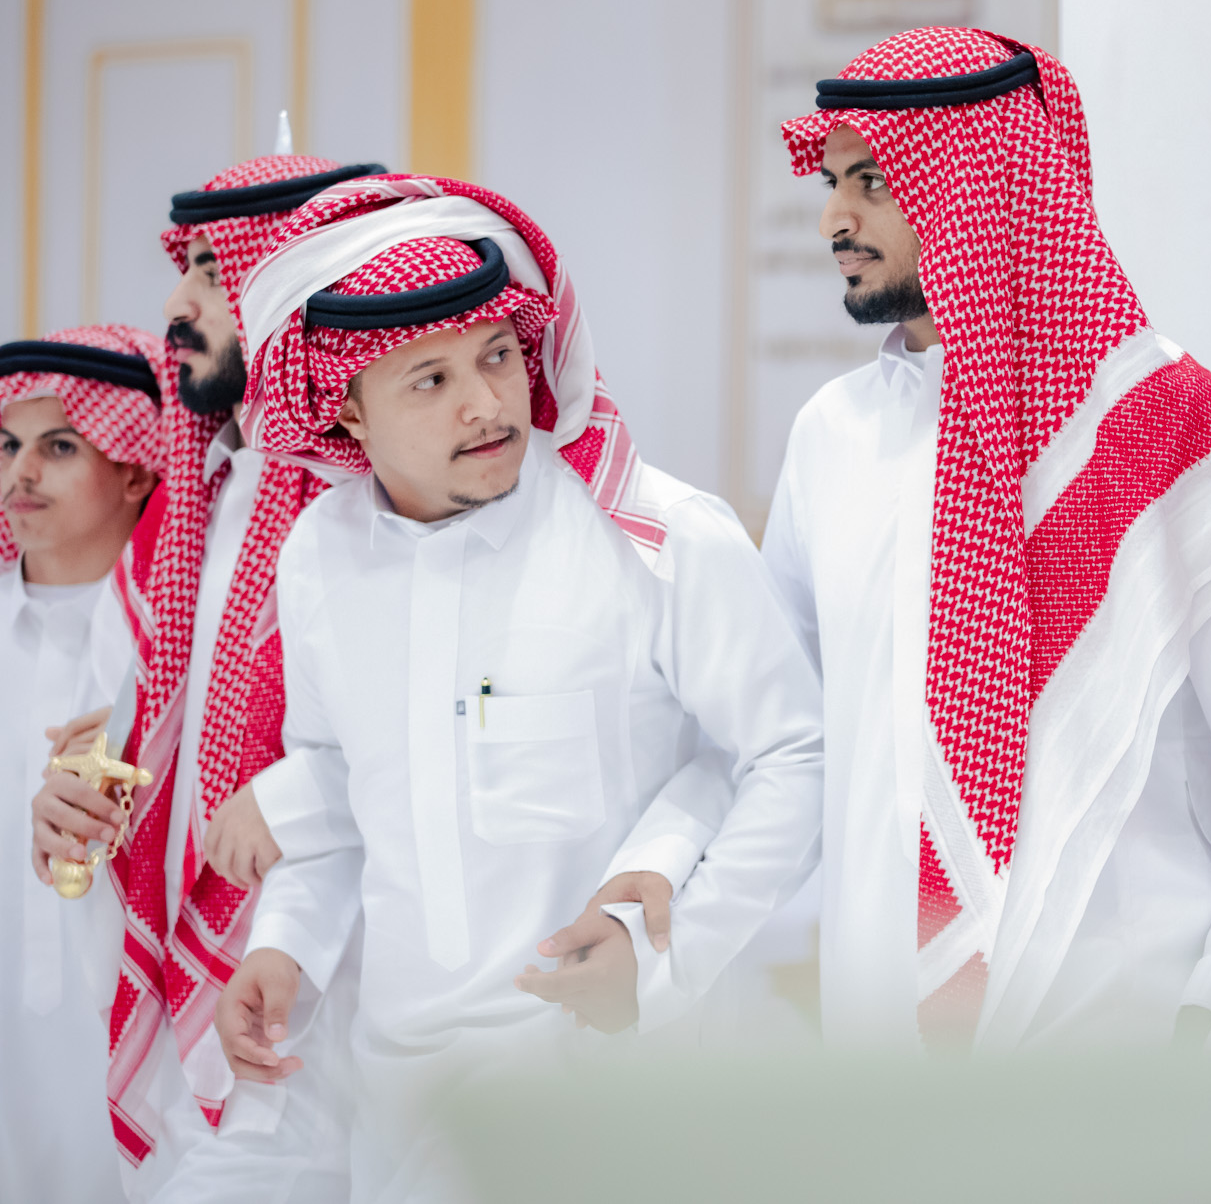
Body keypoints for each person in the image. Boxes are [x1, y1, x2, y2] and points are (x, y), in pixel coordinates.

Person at [208, 173, 824, 1199]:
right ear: (347, 409)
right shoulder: (318, 555)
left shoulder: (656, 536)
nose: (487, 402)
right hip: (400, 1107)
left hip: (612, 1098)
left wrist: (665, 965)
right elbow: (342, 785)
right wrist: (286, 947)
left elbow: (793, 757)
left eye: (497, 356)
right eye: (430, 379)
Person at [760, 26, 1211, 1051]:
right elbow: (790, 740)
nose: (835, 218)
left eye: (872, 182)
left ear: (975, 192)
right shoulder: (829, 438)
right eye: (833, 183)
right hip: (881, 1057)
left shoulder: (1167, 433)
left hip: (1132, 1053)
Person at [27, 151, 384, 1197]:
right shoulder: (191, 510)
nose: (177, 307)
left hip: (331, 1003)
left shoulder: (373, 514)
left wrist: (289, 800)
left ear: (296, 288)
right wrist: (69, 796)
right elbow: (107, 734)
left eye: (214, 273)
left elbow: (418, 741)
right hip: (186, 1022)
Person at [1, 326, 165, 1204]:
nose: (21, 473)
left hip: (143, 1036)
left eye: (60, 446)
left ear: (136, 470)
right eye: (8, 445)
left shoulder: (178, 651)